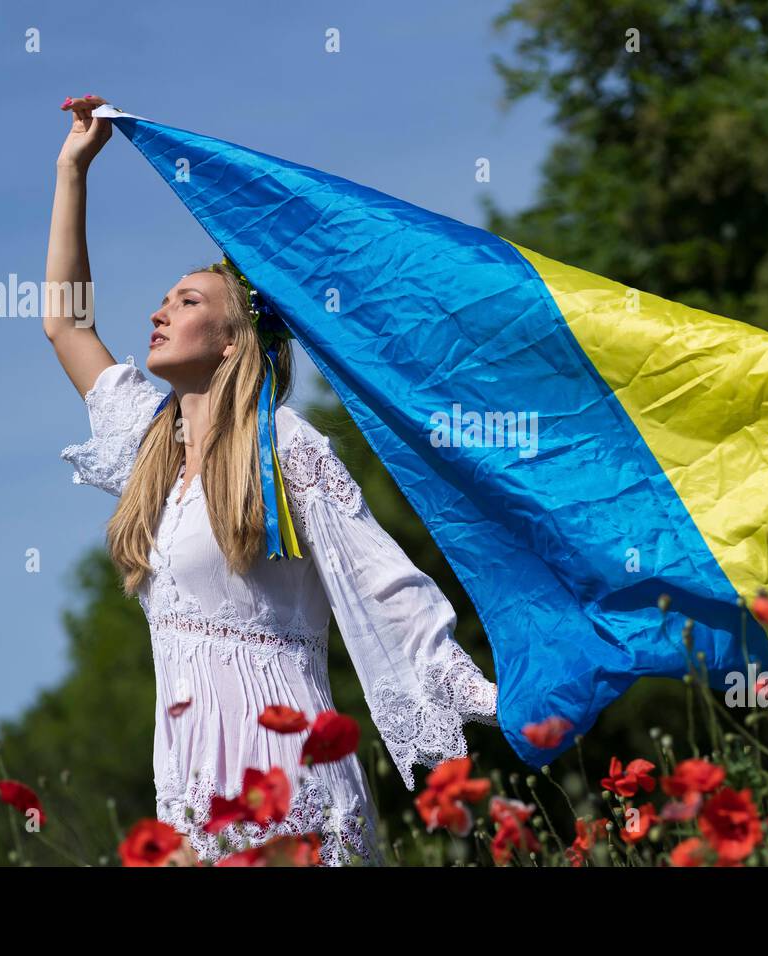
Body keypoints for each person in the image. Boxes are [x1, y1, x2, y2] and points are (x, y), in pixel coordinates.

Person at [44, 94, 499, 866]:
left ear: (231, 343)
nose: (157, 313)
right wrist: (72, 171)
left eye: (185, 302)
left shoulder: (282, 445)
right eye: (160, 300)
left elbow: (381, 580)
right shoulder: (149, 445)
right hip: (188, 785)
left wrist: (487, 696)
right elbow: (65, 321)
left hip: (287, 775)